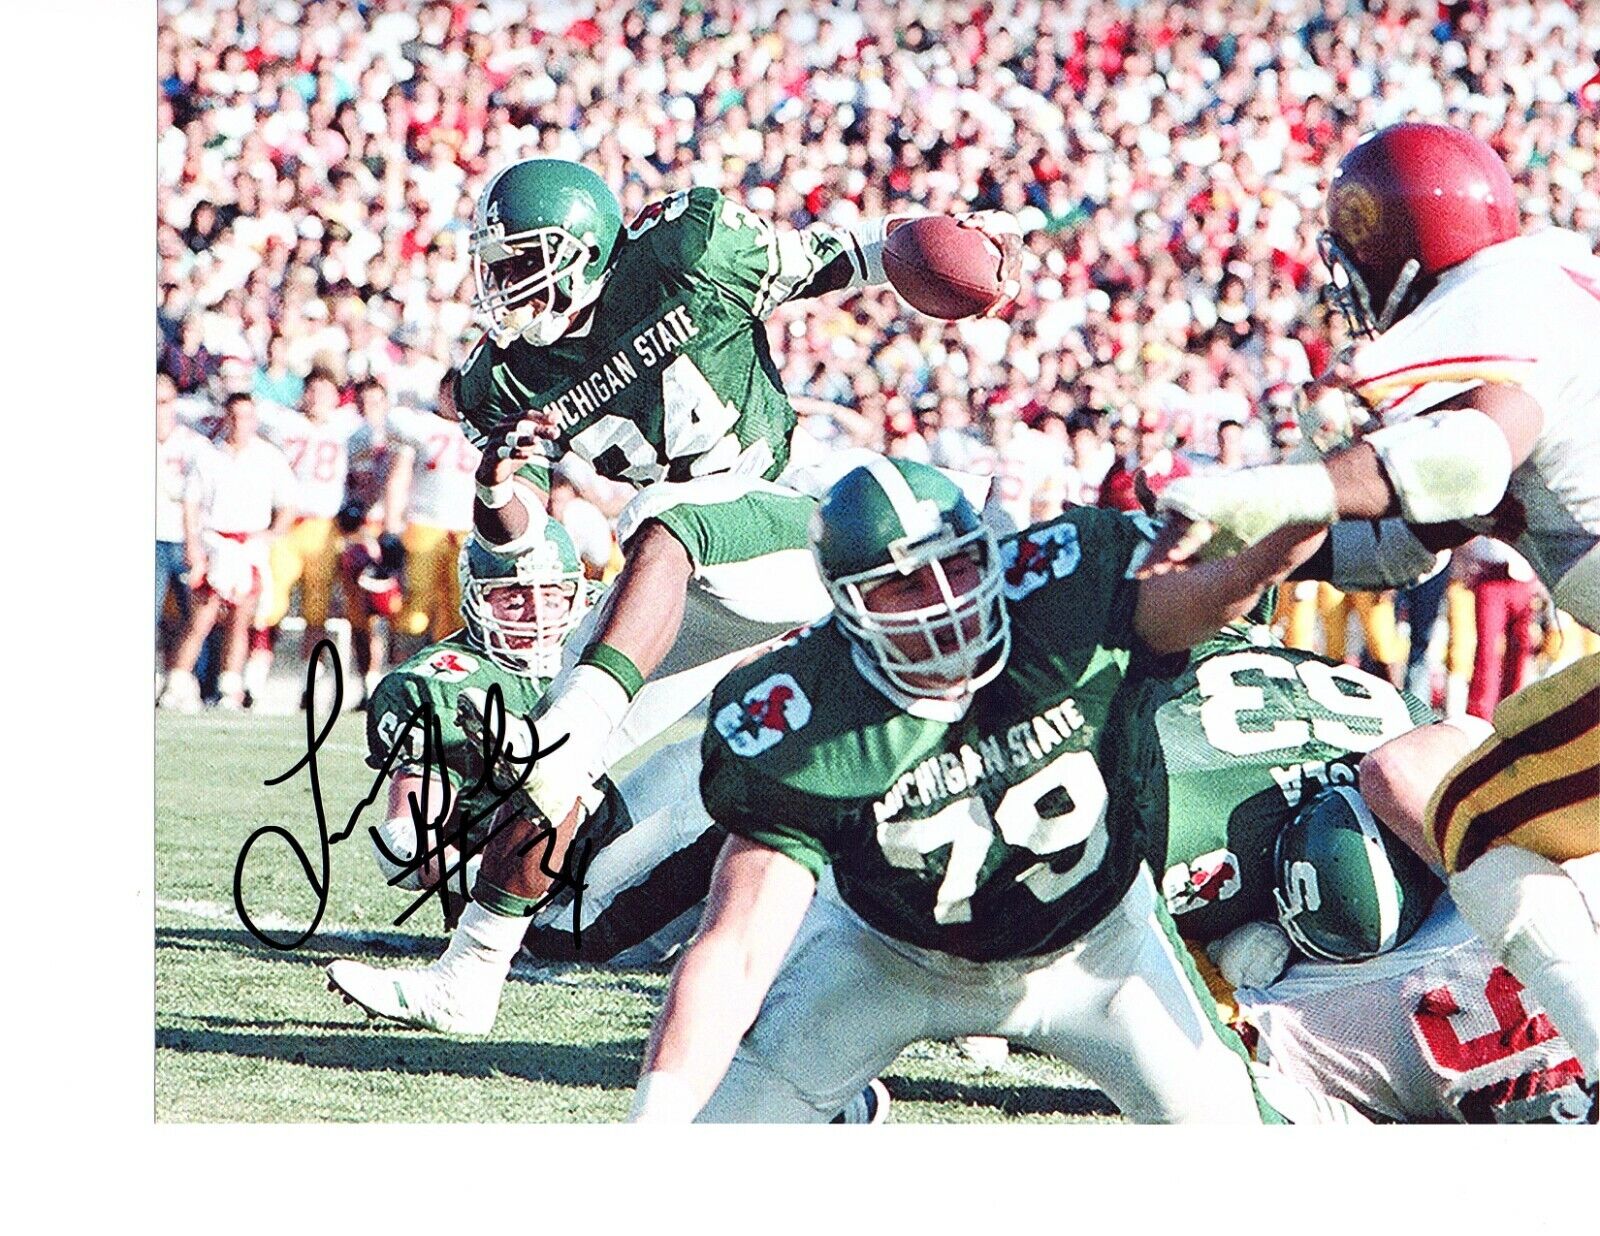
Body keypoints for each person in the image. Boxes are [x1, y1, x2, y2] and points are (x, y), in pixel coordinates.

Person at [627, 458, 1336, 1124]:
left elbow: (1221, 592)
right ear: (849, 606)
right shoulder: (804, 712)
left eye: (959, 566)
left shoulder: (1068, 592)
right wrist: (653, 1123)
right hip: (884, 954)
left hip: (1098, 947)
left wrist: (1311, 484)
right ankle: (839, 1114)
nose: (946, 604)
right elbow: (738, 946)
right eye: (906, 585)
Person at [1143, 121, 1600, 1083]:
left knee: (1466, 812)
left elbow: (1469, 457)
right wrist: (1244, 557)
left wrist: (1282, 489)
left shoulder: (1502, 303)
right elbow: (1400, 543)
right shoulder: (1546, 287)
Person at [444, 159, 1021, 847]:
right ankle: (516, 927)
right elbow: (521, 544)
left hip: (787, 518)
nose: (506, 287)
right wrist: (495, 486)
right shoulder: (502, 380)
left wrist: (963, 240)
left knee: (664, 525)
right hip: (683, 581)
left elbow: (852, 255)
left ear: (585, 250)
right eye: (498, 268)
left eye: (522, 264)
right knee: (509, 792)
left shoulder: (686, 252)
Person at [159, 392, 296, 711]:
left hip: (248, 546)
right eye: (234, 416)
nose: (240, 424)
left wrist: (270, 535)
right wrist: (194, 546)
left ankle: (229, 685)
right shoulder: (209, 455)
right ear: (225, 417)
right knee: (202, 616)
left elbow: (287, 504)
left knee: (241, 618)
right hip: (216, 543)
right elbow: (191, 502)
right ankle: (176, 681)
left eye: (247, 417)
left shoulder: (269, 457)